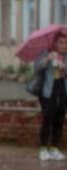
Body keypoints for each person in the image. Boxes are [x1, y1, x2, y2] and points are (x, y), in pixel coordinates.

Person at [35, 31, 67, 161]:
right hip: (48, 91)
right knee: (47, 119)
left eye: (66, 43)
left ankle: (54, 148)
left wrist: (64, 68)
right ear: (55, 43)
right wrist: (48, 58)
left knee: (59, 119)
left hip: (63, 90)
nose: (64, 45)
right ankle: (43, 149)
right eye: (61, 42)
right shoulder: (46, 53)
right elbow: (37, 67)